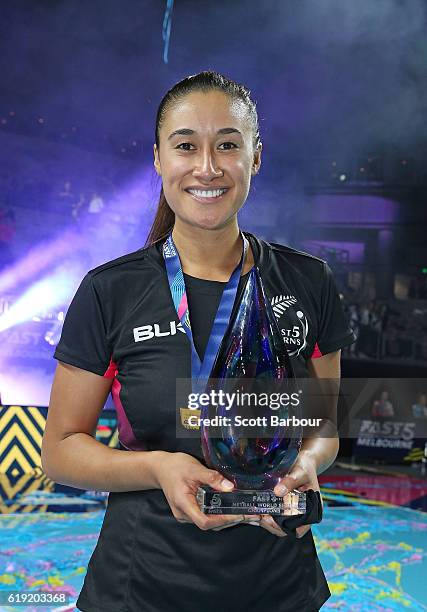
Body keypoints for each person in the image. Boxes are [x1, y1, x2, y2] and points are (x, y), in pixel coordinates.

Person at [41, 71, 356, 611]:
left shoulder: (308, 282)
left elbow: (322, 427)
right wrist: (159, 467)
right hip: (142, 583)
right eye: (186, 145)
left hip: (278, 582)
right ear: (160, 159)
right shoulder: (110, 290)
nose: (206, 167)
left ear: (255, 156)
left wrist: (307, 467)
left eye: (228, 145)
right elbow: (60, 450)